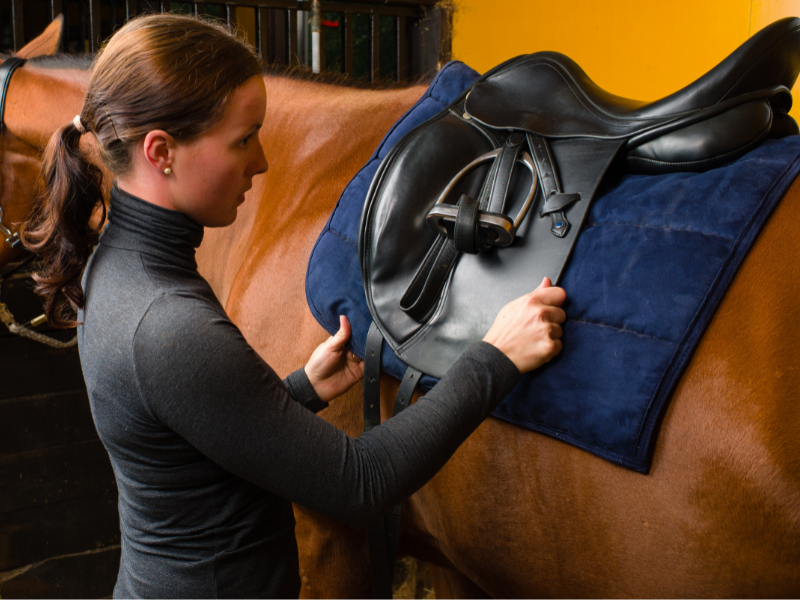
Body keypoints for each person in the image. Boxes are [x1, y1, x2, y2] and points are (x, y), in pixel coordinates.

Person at [22, 13, 567, 599]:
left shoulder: (120, 267)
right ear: (162, 152)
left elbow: (194, 433)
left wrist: (301, 389)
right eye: (242, 139)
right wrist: (496, 356)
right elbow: (361, 484)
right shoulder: (168, 321)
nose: (260, 161)